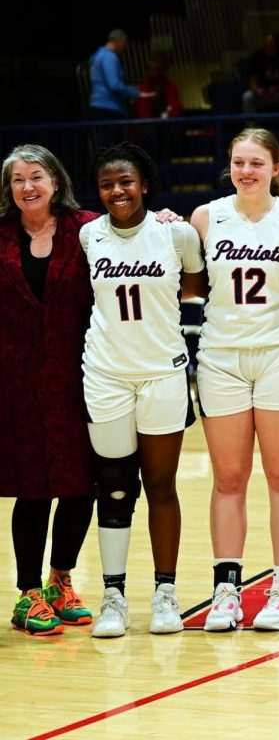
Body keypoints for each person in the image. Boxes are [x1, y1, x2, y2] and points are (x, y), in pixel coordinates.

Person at [191, 127, 279, 632]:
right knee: (228, 479)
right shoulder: (205, 218)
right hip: (220, 357)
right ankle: (227, 589)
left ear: (276, 169)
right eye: (238, 162)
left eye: (256, 163)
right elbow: (191, 282)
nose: (246, 171)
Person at [82, 143, 205, 638]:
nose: (117, 190)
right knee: (112, 489)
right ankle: (113, 596)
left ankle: (165, 593)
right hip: (107, 374)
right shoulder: (88, 236)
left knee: (160, 485)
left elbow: (195, 287)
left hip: (162, 373)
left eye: (126, 181)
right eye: (108, 184)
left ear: (145, 184)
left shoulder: (176, 233)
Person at [0, 145, 97, 636]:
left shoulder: (89, 229)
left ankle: (61, 579)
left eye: (35, 177)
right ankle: (27, 593)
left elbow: (139, 241)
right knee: (33, 488)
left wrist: (162, 220)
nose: (27, 187)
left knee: (82, 484)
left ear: (55, 181)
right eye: (18, 180)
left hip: (81, 376)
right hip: (15, 382)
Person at [89, 29, 154, 120]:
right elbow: (115, 85)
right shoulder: (110, 57)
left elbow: (103, 82)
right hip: (109, 107)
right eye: (125, 44)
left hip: (96, 105)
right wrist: (137, 93)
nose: (125, 47)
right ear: (121, 42)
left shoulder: (97, 56)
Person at [241, 33, 279, 123]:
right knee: (247, 97)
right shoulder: (257, 56)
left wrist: (278, 88)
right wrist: (258, 90)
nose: (269, 48)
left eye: (271, 45)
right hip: (263, 95)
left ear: (276, 45)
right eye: (267, 46)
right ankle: (251, 130)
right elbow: (252, 80)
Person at [135, 54, 183, 120]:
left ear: (163, 70)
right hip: (148, 124)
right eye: (150, 69)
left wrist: (165, 117)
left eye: (156, 69)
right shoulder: (143, 87)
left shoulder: (171, 86)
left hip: (168, 122)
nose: (153, 72)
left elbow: (175, 108)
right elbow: (143, 111)